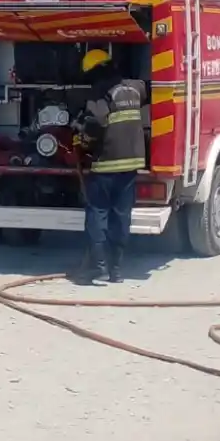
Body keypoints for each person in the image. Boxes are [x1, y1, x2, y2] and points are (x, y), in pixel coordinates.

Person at [77, 45, 146, 285]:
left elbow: (95, 124)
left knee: (97, 213)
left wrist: (83, 140)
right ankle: (116, 270)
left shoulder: (100, 93)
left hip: (106, 164)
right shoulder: (135, 88)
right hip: (131, 165)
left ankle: (98, 267)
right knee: (121, 216)